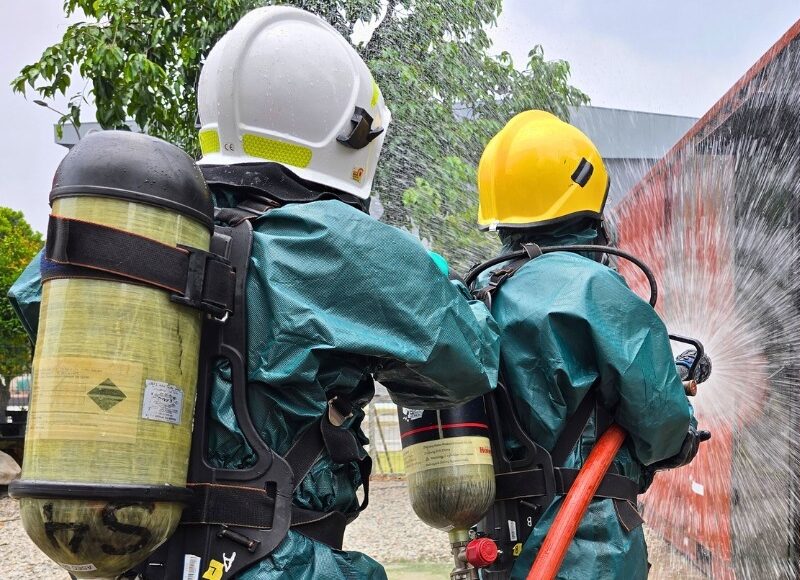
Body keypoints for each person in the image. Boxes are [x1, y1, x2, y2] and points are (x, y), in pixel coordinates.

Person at [8, 7, 499, 579]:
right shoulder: (337, 243)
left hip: (136, 555)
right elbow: (471, 363)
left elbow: (34, 294)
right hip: (273, 560)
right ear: (347, 130)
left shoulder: (149, 228)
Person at [472, 110, 705, 578]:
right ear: (583, 196)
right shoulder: (594, 290)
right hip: (585, 548)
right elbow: (662, 429)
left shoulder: (481, 294)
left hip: (498, 540)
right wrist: (682, 433)